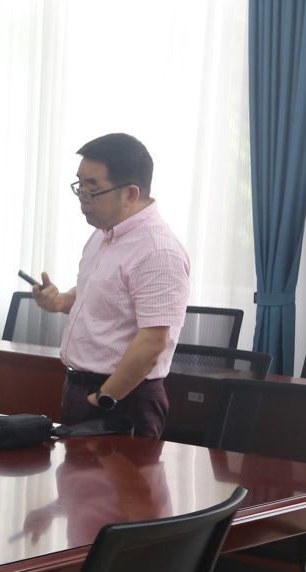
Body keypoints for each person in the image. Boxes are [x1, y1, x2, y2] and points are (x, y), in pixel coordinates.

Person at [30, 132, 190, 438]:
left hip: (122, 398)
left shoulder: (158, 251)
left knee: (121, 475)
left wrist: (104, 397)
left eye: (92, 188)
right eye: (79, 185)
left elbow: (153, 341)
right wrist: (59, 301)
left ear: (130, 194)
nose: (82, 197)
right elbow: (97, 293)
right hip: (81, 387)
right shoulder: (104, 235)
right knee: (72, 471)